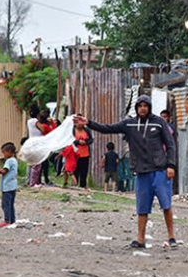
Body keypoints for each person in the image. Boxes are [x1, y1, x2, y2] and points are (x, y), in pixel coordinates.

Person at [74, 95, 177, 248]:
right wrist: (89, 123)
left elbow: (170, 145)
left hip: (160, 170)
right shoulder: (129, 124)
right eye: (140, 105)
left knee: (166, 205)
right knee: (142, 208)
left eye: (145, 105)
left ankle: (171, 237)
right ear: (136, 108)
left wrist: (171, 165)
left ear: (149, 107)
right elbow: (108, 128)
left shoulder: (159, 122)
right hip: (142, 172)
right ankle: (140, 240)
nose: (142, 108)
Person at [0, 142, 18, 228]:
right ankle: (12, 220)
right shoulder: (14, 160)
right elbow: (5, 174)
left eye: (4, 153)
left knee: (5, 205)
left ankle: (7, 220)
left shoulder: (9, 161)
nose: (4, 155)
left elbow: (4, 171)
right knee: (10, 205)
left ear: (10, 152)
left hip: (7, 187)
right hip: (12, 186)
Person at [26, 105, 46, 187]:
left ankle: (33, 182)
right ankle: (33, 183)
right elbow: (43, 129)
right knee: (37, 165)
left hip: (32, 143)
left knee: (34, 164)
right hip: (37, 144)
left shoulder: (29, 121)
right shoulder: (35, 121)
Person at [39, 109, 57, 185]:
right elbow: (54, 131)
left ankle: (41, 179)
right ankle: (45, 179)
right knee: (45, 164)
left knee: (42, 163)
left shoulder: (39, 124)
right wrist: (52, 122)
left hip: (40, 145)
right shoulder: (45, 126)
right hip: (44, 146)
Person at [73, 122, 93, 191]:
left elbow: (91, 140)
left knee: (84, 171)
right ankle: (74, 185)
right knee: (75, 170)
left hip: (85, 154)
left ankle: (83, 186)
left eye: (81, 123)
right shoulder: (72, 130)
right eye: (78, 123)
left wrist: (86, 142)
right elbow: (69, 140)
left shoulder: (86, 130)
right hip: (75, 154)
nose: (80, 124)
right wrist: (78, 142)